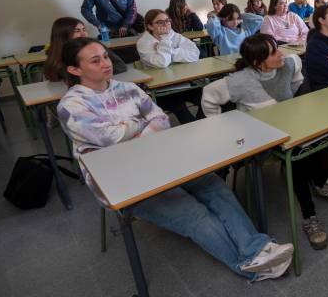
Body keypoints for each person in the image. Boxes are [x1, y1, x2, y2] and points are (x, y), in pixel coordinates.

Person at [56, 37, 293, 281]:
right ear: (75, 70)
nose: (105, 63)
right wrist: (140, 125)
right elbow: (109, 137)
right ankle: (246, 263)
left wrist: (133, 131)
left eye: (105, 56)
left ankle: (255, 248)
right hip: (121, 180)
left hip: (162, 158)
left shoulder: (127, 88)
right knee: (193, 213)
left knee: (214, 186)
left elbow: (161, 119)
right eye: (95, 61)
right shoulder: (71, 105)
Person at [201, 33, 328, 250]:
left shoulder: (288, 63)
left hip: (291, 130)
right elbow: (208, 95)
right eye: (274, 52)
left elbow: (298, 74)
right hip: (261, 140)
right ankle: (311, 214)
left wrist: (297, 96)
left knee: (312, 136)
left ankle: (320, 183)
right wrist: (222, 129)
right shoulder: (240, 81)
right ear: (257, 62)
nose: (282, 53)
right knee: (297, 152)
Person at [137, 9, 203, 124]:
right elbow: (162, 63)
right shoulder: (143, 42)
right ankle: (195, 131)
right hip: (161, 89)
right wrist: (166, 40)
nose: (166, 24)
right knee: (183, 112)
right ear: (150, 26)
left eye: (167, 21)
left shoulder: (174, 35)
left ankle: (201, 125)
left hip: (182, 81)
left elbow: (195, 53)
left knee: (206, 96)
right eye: (160, 22)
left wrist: (171, 52)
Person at [44, 17, 126, 82]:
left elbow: (121, 66)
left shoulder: (94, 46)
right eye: (77, 31)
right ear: (63, 35)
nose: (83, 34)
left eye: (84, 29)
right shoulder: (58, 56)